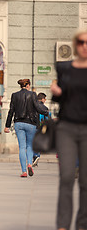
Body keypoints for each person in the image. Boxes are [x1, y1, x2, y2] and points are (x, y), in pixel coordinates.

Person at [51, 29, 87, 230]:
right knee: (66, 176)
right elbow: (59, 98)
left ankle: (82, 224)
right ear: (76, 45)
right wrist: (56, 93)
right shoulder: (65, 68)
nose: (84, 46)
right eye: (81, 42)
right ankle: (63, 225)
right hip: (67, 127)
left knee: (85, 181)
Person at [4, 79, 48, 178]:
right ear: (27, 85)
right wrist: (46, 112)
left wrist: (7, 126)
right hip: (31, 124)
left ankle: (24, 171)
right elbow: (37, 107)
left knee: (22, 147)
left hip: (19, 123)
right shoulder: (32, 94)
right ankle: (29, 164)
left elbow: (11, 111)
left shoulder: (14, 95)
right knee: (29, 146)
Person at [32, 92, 51, 167]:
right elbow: (48, 119)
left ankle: (34, 156)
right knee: (38, 142)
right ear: (42, 99)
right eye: (45, 99)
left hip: (33, 126)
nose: (45, 100)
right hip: (41, 127)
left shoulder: (34, 106)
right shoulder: (44, 108)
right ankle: (37, 155)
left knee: (32, 142)